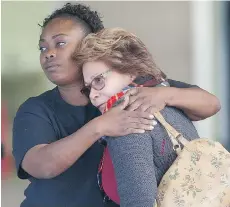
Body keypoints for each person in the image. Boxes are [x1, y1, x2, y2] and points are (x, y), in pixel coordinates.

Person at [12, 3, 220, 207]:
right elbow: (40, 165)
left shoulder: (139, 88)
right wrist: (100, 126)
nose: (48, 53)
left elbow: (211, 104)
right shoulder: (36, 109)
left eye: (60, 43)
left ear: (90, 44)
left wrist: (165, 94)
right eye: (42, 47)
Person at [75, 27, 203, 206]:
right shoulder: (167, 101)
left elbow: (138, 202)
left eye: (98, 80)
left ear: (130, 71)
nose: (92, 95)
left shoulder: (127, 119)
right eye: (88, 88)